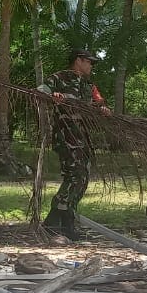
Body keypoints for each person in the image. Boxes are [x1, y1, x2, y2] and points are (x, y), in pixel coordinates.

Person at [38, 49, 110, 240]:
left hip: (83, 137)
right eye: (89, 62)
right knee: (74, 176)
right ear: (78, 61)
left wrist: (103, 109)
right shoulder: (59, 78)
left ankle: (58, 222)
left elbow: (100, 103)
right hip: (66, 136)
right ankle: (60, 222)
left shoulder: (89, 85)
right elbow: (40, 92)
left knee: (83, 178)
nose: (91, 66)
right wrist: (53, 96)